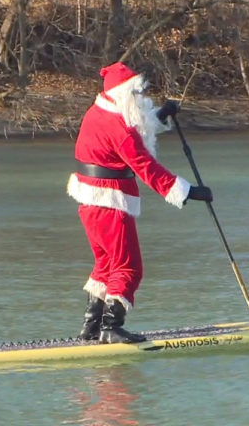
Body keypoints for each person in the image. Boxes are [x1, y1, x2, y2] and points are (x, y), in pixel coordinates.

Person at [66, 62, 213, 344]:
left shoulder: (98, 112)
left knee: (106, 263)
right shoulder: (118, 127)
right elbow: (146, 166)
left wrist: (160, 116)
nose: (141, 98)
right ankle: (111, 326)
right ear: (123, 94)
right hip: (110, 203)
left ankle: (91, 327)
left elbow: (135, 132)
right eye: (136, 93)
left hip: (90, 203)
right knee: (128, 267)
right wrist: (189, 192)